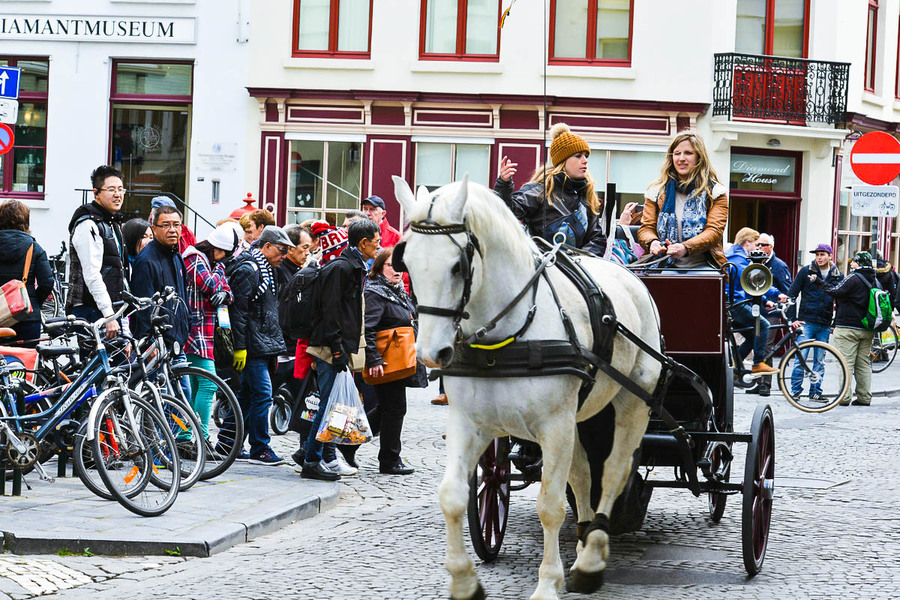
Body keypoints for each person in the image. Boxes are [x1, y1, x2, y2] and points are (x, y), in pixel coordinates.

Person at [301, 218, 381, 481]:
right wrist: (337, 349)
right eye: (376, 242)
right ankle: (312, 459)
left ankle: (320, 455)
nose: (378, 247)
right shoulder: (342, 268)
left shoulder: (353, 265)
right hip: (329, 347)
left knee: (334, 406)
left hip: (339, 346)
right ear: (363, 243)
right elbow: (331, 311)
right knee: (327, 406)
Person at [226, 225, 295, 465]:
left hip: (262, 342)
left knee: (247, 395)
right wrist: (240, 346)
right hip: (254, 344)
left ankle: (226, 442)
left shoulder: (265, 268)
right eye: (282, 250)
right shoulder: (250, 269)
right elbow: (240, 311)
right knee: (263, 394)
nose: (284, 255)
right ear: (266, 246)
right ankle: (259, 446)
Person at [494, 123, 606, 255]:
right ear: (562, 161)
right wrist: (504, 184)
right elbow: (508, 211)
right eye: (578, 156)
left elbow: (597, 239)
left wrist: (581, 260)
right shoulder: (540, 190)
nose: (585, 160)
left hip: (578, 270)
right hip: (542, 267)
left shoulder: (587, 195)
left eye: (586, 156)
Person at [364, 246, 425, 475]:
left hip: (398, 359)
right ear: (380, 267)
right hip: (386, 360)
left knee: (385, 408)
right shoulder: (375, 292)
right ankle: (389, 460)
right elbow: (368, 328)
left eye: (400, 266)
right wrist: (374, 359)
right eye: (391, 265)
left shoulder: (397, 290)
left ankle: (349, 444)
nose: (397, 270)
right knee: (395, 408)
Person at [638, 131, 728, 269]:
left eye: (688, 153)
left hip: (703, 266)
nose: (681, 158)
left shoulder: (716, 192)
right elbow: (646, 228)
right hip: (662, 264)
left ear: (699, 157)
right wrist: (652, 242)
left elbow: (714, 232)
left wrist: (686, 247)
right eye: (677, 153)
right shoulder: (656, 191)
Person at [183, 224, 237, 438]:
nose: (225, 260)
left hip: (204, 331)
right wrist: (222, 272)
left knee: (198, 385)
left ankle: (187, 435)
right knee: (208, 384)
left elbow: (227, 291)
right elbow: (210, 285)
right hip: (194, 331)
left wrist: (225, 294)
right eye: (225, 255)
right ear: (216, 249)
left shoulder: (209, 262)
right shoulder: (194, 258)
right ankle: (201, 436)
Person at [67, 165, 129, 337]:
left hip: (110, 310)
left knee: (120, 363)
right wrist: (109, 315)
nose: (118, 194)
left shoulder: (112, 222)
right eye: (111, 190)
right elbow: (92, 274)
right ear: (96, 193)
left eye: (120, 189)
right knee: (99, 363)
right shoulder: (88, 224)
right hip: (91, 311)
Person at [813, 251, 878, 406]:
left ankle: (844, 397)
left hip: (848, 327)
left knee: (845, 362)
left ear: (859, 263)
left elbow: (836, 291)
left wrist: (817, 282)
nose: (851, 264)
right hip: (867, 328)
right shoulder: (874, 279)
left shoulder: (854, 278)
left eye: (854, 261)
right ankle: (864, 397)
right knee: (863, 363)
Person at [786, 243, 843, 401]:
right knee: (801, 357)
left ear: (830, 256)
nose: (819, 257)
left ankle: (816, 391)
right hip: (806, 321)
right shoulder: (806, 271)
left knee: (820, 360)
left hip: (824, 322)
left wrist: (834, 323)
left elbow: (840, 301)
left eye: (823, 254)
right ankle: (795, 391)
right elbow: (792, 294)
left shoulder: (838, 275)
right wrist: (793, 319)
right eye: (817, 254)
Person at [724, 227, 780, 377]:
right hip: (735, 304)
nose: (757, 249)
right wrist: (774, 294)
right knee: (763, 325)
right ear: (747, 242)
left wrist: (764, 301)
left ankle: (735, 369)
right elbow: (752, 281)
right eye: (756, 245)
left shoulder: (734, 256)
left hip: (732, 303)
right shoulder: (738, 259)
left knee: (751, 336)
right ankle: (758, 364)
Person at [0, 200, 52, 345]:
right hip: (27, 317)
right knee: (27, 364)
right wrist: (33, 302)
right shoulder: (34, 247)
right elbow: (47, 283)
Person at [751, 233, 793, 395]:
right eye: (758, 245)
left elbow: (787, 289)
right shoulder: (755, 262)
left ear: (771, 247)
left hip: (771, 312)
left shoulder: (779, 266)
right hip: (756, 310)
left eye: (762, 245)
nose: (759, 248)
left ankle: (765, 384)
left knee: (767, 345)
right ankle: (756, 380)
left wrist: (778, 303)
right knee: (757, 344)